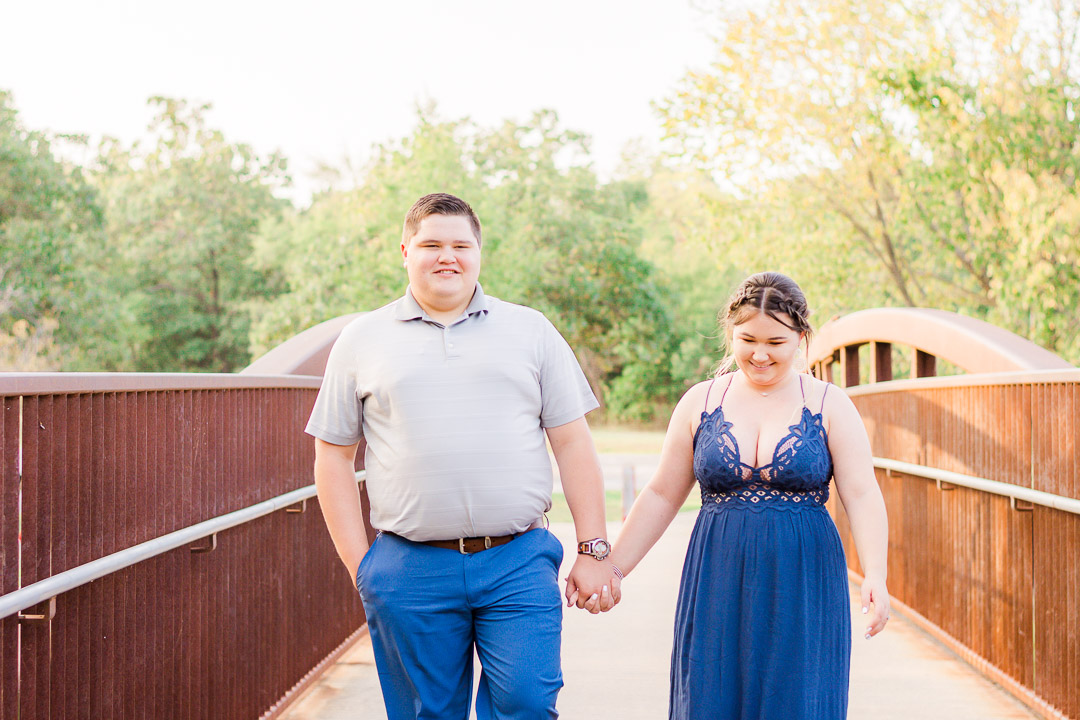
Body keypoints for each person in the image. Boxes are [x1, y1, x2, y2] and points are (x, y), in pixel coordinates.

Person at [304, 192, 618, 720]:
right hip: (409, 566)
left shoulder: (531, 330)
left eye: (460, 245)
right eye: (431, 244)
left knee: (527, 702)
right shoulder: (362, 339)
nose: (446, 256)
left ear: (478, 253)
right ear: (405, 251)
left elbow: (572, 442)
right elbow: (333, 456)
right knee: (427, 714)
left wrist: (594, 549)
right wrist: (364, 567)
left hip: (517, 559)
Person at [603, 271, 890, 720]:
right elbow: (661, 494)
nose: (760, 354)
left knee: (797, 702)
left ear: (801, 338)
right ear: (730, 334)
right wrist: (613, 568)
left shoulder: (830, 404)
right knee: (710, 696)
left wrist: (876, 574)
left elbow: (862, 493)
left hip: (803, 583)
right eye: (748, 340)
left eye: (776, 342)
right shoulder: (699, 402)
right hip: (717, 579)